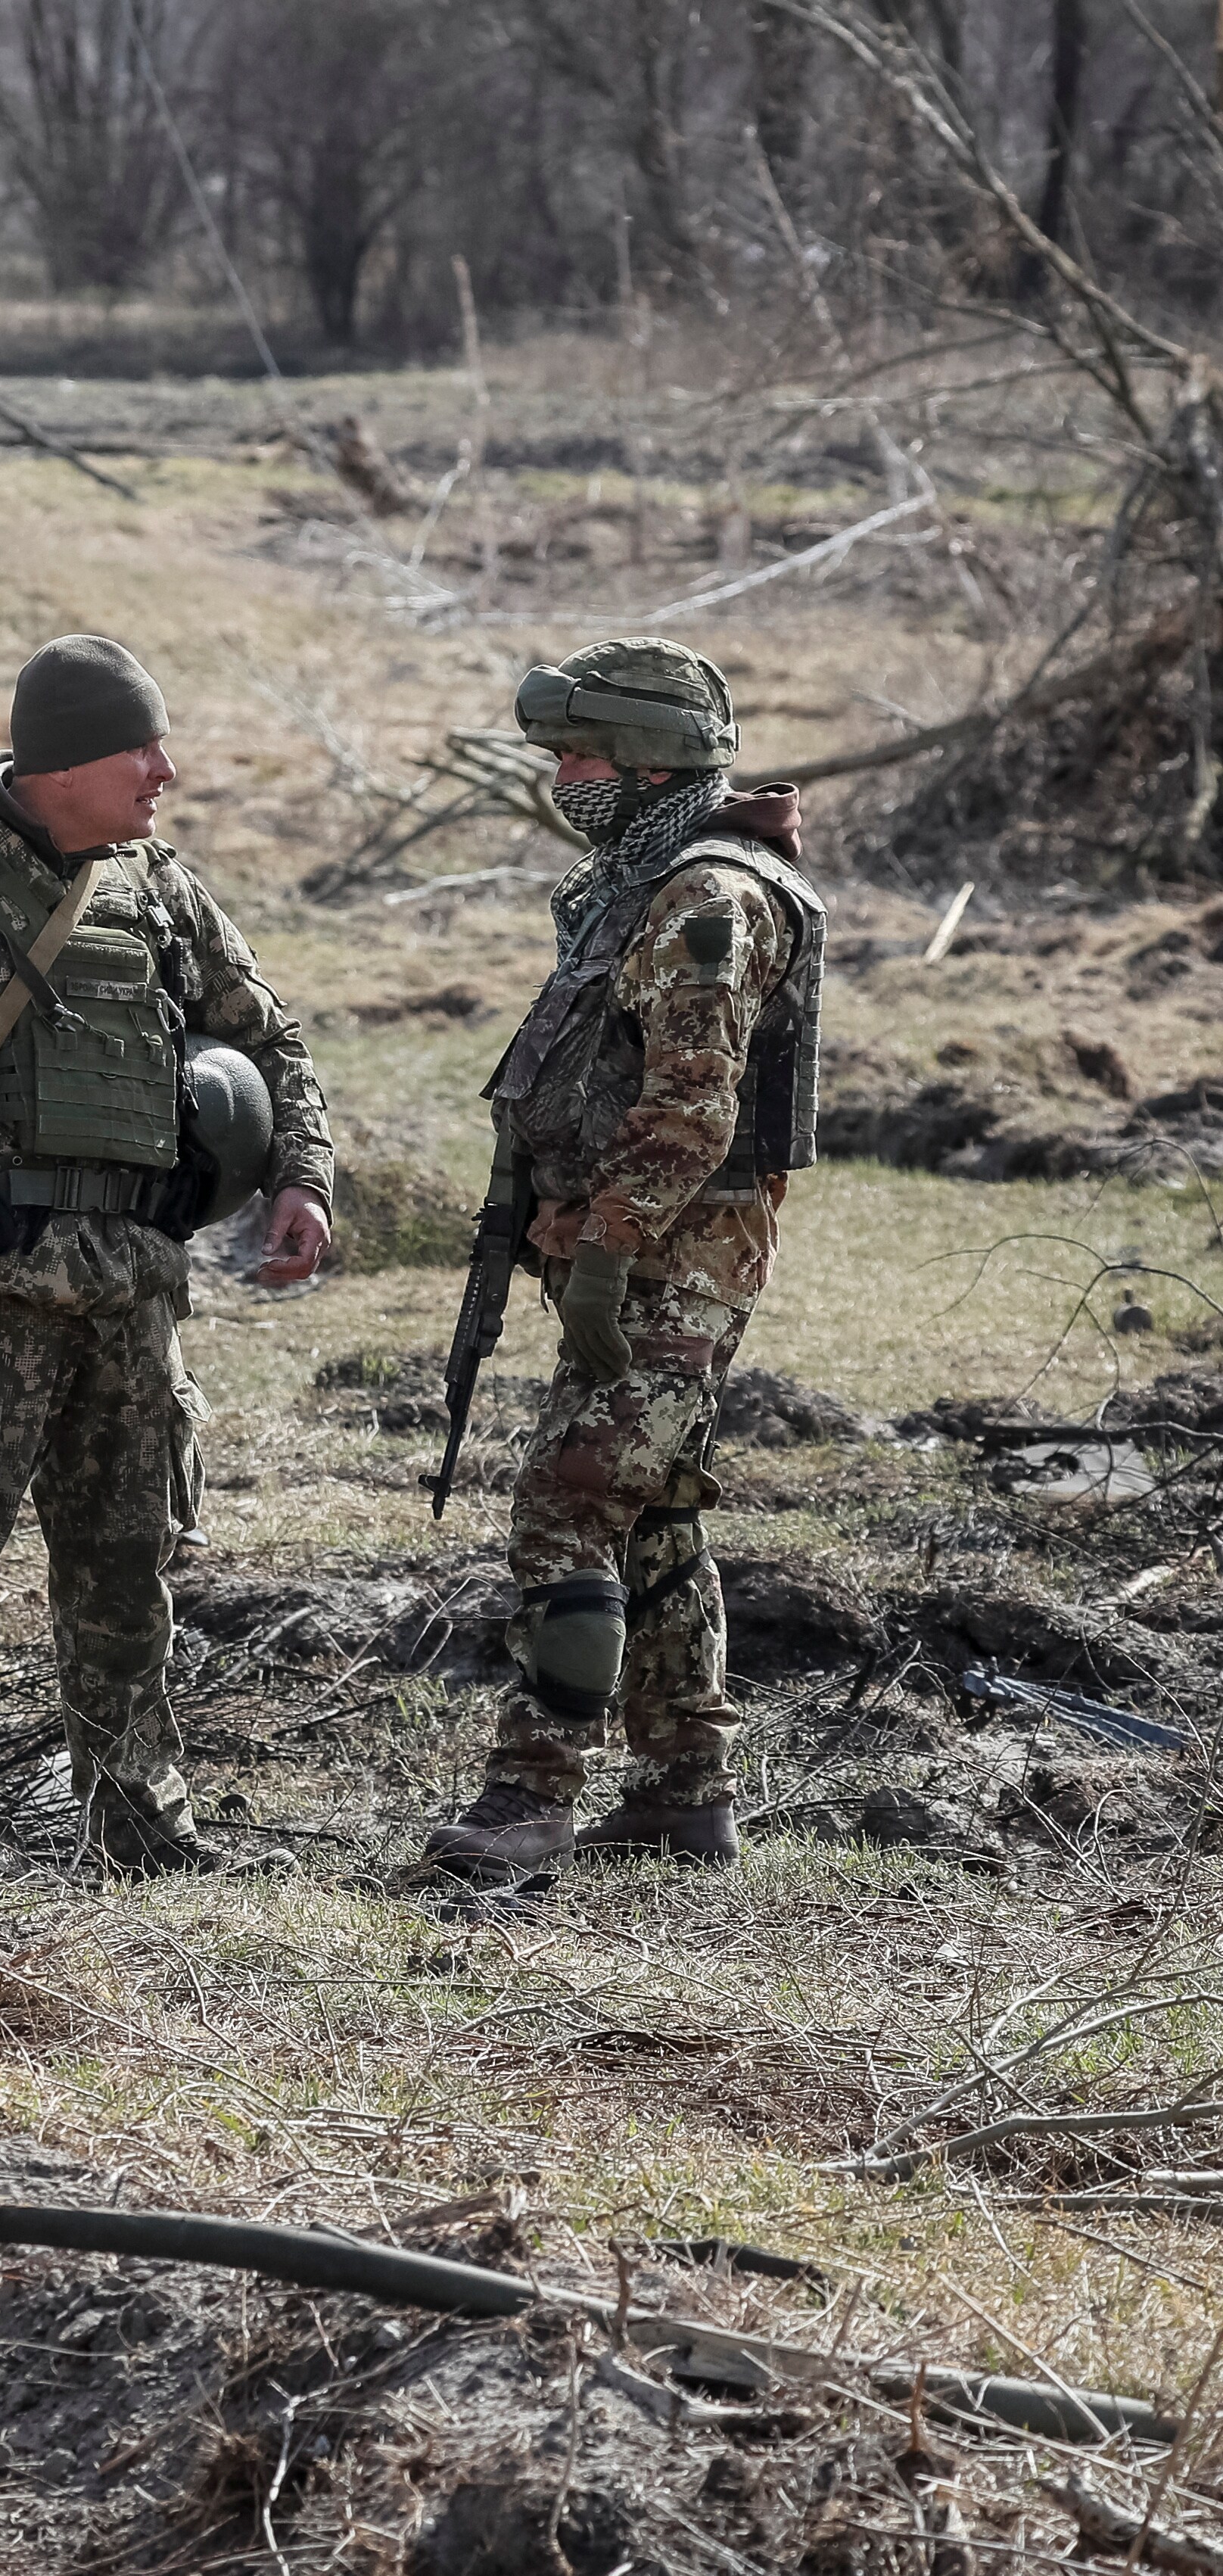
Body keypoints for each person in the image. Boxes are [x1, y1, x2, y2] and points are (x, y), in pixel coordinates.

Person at [0, 634, 336, 1873]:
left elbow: (271, 1039)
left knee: (128, 1575)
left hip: (130, 1298)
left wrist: (303, 1177)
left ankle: (143, 1831)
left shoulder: (159, 892)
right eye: (139, 749)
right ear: (63, 765)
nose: (165, 771)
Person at [423, 638, 824, 1878]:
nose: (564, 774)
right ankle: (683, 1791)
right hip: (644, 1247)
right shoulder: (640, 878)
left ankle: (529, 1798)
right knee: (651, 1516)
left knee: (569, 1503)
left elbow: (695, 1111)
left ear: (652, 763)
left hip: (670, 1255)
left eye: (583, 752)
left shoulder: (710, 899)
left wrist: (604, 1249)